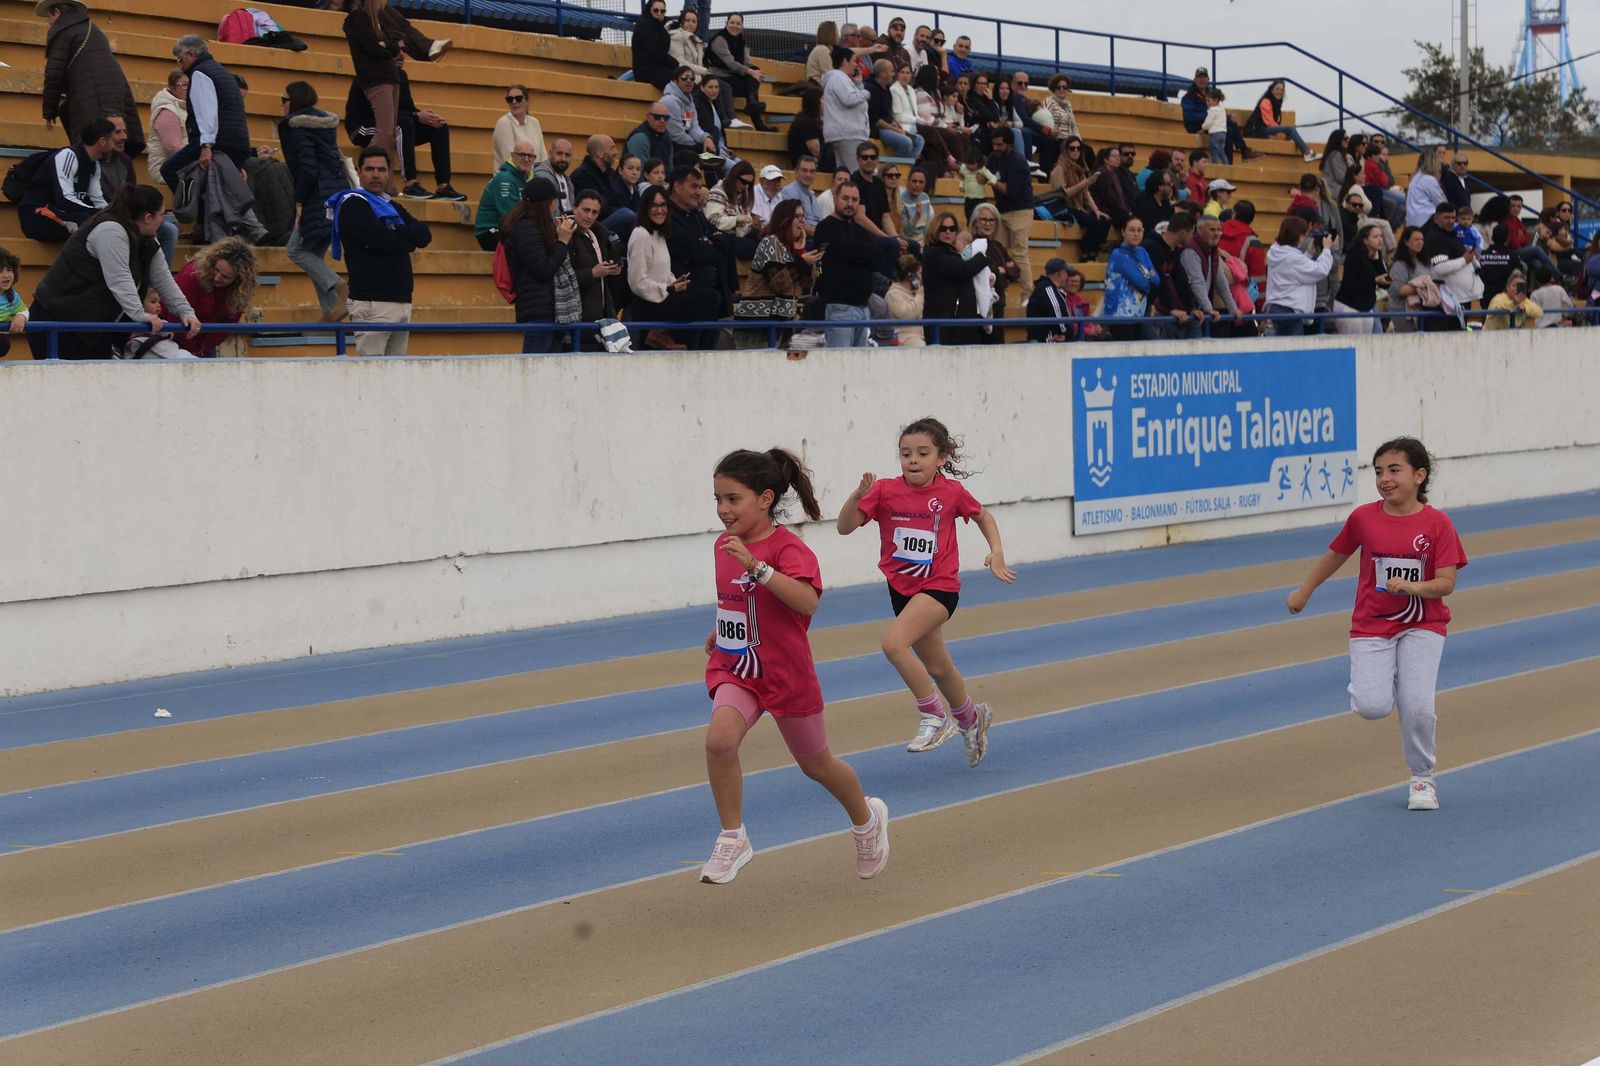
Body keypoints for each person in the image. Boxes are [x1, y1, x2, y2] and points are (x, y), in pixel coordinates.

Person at [698, 447, 890, 885]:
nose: (723, 510)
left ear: (765, 499)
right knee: (719, 742)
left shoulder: (789, 549)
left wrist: (759, 568)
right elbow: (736, 599)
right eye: (718, 499)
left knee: (816, 764)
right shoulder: (722, 547)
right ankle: (733, 836)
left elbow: (807, 601)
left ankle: (867, 820)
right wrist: (723, 630)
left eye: (733, 499)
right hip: (738, 667)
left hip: (786, 674)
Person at [1287, 436, 1466, 812]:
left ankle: (1422, 780)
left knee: (1417, 705)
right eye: (1379, 471)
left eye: (1394, 470)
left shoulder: (1437, 525)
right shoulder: (1363, 518)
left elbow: (1447, 583)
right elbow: (1335, 555)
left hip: (1424, 624)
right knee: (1372, 706)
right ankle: (1387, 678)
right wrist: (1305, 590)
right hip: (1372, 624)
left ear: (1419, 475)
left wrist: (1413, 587)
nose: (1385, 478)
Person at [836, 417, 1013, 760]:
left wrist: (996, 550)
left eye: (922, 453)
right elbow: (845, 527)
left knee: (893, 644)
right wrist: (857, 495)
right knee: (939, 667)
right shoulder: (884, 490)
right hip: (902, 591)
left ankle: (933, 715)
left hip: (940, 588)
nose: (913, 460)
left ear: (941, 458)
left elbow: (983, 517)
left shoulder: (951, 493)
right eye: (905, 453)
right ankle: (970, 718)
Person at [24, 185, 201, 360]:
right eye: (162, 214)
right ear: (148, 217)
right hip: (59, 321)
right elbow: (119, 278)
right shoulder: (110, 230)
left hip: (92, 329)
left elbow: (163, 279)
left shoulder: (147, 237)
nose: (163, 220)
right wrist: (140, 314)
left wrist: (186, 312)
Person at [328, 147, 432, 356]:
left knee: (396, 378)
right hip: (372, 303)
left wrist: (398, 231)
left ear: (389, 173)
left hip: (401, 301)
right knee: (371, 378)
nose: (376, 174)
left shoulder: (390, 205)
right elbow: (380, 241)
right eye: (370, 169)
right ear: (359, 172)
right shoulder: (353, 204)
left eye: (381, 169)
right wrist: (405, 239)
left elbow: (423, 236)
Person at [342, 0, 450, 182]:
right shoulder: (359, 18)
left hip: (385, 80)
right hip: (361, 125)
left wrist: (419, 115)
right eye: (400, 50)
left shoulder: (399, 74)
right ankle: (390, 180)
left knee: (419, 127)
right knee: (392, 130)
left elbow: (406, 108)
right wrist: (387, 47)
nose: (401, 54)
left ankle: (442, 185)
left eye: (403, 49)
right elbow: (373, 47)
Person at [279, 81, 350, 321]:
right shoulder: (323, 123)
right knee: (313, 254)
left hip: (317, 195)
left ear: (294, 101)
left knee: (296, 250)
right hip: (335, 192)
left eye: (284, 100)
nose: (282, 105)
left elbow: (307, 169)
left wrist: (299, 201)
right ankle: (331, 312)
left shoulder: (297, 126)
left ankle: (342, 288)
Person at [39, 0, 145, 156]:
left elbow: (53, 75)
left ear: (57, 12)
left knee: (92, 148)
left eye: (49, 16)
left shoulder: (62, 31)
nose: (49, 22)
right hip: (117, 94)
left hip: (90, 99)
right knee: (117, 148)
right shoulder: (91, 28)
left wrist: (49, 111)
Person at [626, 185, 720, 350]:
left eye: (663, 205)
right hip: (648, 303)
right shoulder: (641, 234)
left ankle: (700, 351)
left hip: (663, 296)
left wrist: (675, 282)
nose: (659, 210)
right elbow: (637, 282)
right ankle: (660, 333)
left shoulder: (659, 234)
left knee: (707, 301)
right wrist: (668, 288)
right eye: (654, 205)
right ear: (645, 208)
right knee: (710, 298)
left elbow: (664, 271)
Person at [498, 176, 578, 354]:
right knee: (533, 370)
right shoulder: (526, 228)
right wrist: (562, 242)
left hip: (550, 310)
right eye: (553, 201)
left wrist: (558, 237)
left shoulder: (536, 227)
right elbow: (543, 270)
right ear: (545, 204)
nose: (556, 206)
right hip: (538, 311)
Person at [162, 36, 251, 190]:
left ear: (191, 54)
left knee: (170, 170)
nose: (180, 66)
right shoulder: (221, 72)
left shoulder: (200, 73)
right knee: (222, 190)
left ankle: (193, 209)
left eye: (180, 59)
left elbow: (206, 112)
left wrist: (206, 146)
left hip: (217, 142)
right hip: (238, 142)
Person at [16, 118, 113, 242]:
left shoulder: (94, 164)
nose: (115, 146)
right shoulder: (68, 156)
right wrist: (98, 213)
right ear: (102, 142)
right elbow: (64, 199)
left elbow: (97, 200)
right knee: (85, 222)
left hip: (63, 213)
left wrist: (113, 214)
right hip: (37, 214)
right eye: (113, 141)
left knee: (106, 223)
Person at [162, 237, 256, 357]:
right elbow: (175, 315)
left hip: (204, 345)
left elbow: (227, 325)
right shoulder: (193, 274)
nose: (217, 278)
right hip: (172, 339)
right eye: (216, 270)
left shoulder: (240, 292)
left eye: (225, 277)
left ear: (238, 279)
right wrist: (194, 350)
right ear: (212, 262)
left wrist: (203, 349)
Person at [812, 180, 876, 347]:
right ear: (835, 199)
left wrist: (860, 252)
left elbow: (876, 255)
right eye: (845, 198)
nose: (850, 204)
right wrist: (863, 253)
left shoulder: (859, 230)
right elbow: (847, 250)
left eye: (855, 200)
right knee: (839, 365)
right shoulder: (826, 227)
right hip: (839, 308)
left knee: (859, 368)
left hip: (863, 308)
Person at [735, 199, 817, 323]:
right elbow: (778, 285)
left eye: (803, 217)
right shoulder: (771, 242)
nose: (803, 221)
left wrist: (801, 252)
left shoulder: (792, 248)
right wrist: (802, 261)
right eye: (798, 217)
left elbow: (806, 284)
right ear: (785, 220)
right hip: (757, 324)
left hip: (782, 322)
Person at [920, 211, 989, 345]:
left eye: (952, 229)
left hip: (960, 323)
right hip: (945, 324)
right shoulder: (935, 253)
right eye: (943, 228)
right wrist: (983, 257)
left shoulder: (952, 252)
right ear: (935, 230)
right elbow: (964, 270)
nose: (948, 232)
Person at [1263, 216, 1336, 336]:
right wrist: (1327, 250)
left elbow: (1293, 273)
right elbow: (1321, 271)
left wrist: (1308, 254)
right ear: (1298, 235)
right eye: (1304, 234)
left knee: (1287, 348)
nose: (1305, 238)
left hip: (1280, 308)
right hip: (1289, 310)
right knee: (1290, 351)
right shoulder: (1291, 258)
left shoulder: (1277, 252)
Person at [567, 190, 624, 340]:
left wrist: (611, 271)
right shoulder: (565, 235)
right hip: (575, 318)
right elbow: (561, 279)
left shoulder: (599, 235)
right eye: (586, 210)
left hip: (601, 316)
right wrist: (592, 273)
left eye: (594, 212)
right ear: (574, 208)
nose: (589, 216)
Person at [985, 130, 1033, 295]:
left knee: (1020, 253)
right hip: (1002, 211)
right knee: (998, 253)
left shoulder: (1017, 161)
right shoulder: (993, 157)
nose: (996, 148)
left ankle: (1027, 293)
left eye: (1000, 144)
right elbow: (983, 172)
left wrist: (990, 179)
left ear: (1010, 145)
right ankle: (1000, 292)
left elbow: (1010, 190)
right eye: (994, 144)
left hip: (1020, 211)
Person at [707, 13, 772, 132]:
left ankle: (752, 103)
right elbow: (730, 63)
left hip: (734, 76)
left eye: (738, 23)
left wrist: (754, 71)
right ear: (726, 24)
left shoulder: (741, 40)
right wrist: (751, 72)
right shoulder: (719, 40)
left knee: (754, 72)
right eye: (732, 23)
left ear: (742, 26)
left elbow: (746, 62)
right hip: (720, 76)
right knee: (752, 75)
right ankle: (754, 111)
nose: (735, 26)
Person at [1181, 67, 1259, 161]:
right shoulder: (1188, 97)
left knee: (1229, 130)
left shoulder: (1211, 94)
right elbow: (1190, 117)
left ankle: (1229, 164)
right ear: (1194, 79)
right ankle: (1244, 150)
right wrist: (1211, 115)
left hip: (1210, 124)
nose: (1202, 79)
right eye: (1199, 77)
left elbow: (1217, 110)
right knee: (1229, 123)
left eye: (1204, 77)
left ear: (1208, 79)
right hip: (1196, 126)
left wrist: (1226, 116)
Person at [570, 134, 636, 240]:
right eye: (612, 148)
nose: (616, 152)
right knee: (628, 215)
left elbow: (617, 201)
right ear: (600, 153)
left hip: (608, 221)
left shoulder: (609, 173)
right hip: (592, 225)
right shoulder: (583, 175)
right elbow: (598, 208)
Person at [1104, 216, 1158, 340]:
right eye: (1132, 230)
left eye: (1139, 230)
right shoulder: (1118, 254)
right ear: (1123, 232)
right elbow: (1142, 283)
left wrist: (1148, 277)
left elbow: (1156, 280)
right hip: (1120, 315)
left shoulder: (1142, 252)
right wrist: (1148, 275)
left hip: (1139, 313)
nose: (1136, 233)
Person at [476, 142, 535, 251]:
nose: (526, 159)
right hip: (489, 231)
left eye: (530, 156)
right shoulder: (504, 179)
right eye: (522, 155)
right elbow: (510, 215)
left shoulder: (530, 178)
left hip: (509, 227)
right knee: (529, 240)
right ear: (513, 156)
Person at [821, 47, 871, 171]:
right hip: (848, 135)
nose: (857, 65)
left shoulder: (842, 79)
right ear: (844, 61)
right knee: (855, 174)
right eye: (854, 61)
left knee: (844, 176)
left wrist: (859, 85)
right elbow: (850, 99)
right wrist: (866, 93)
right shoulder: (839, 78)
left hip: (844, 134)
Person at [1332, 223, 1388, 334]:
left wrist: (1377, 261)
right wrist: (1375, 280)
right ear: (1365, 240)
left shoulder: (1377, 255)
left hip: (1366, 306)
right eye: (1375, 237)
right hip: (1349, 305)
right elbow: (1352, 284)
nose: (1380, 240)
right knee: (1352, 343)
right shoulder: (1354, 254)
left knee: (1365, 344)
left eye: (1381, 236)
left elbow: (1386, 283)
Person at [866, 60, 923, 166]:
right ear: (883, 74)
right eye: (892, 71)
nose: (894, 74)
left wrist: (897, 124)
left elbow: (889, 112)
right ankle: (889, 168)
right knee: (906, 142)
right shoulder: (871, 89)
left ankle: (905, 167)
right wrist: (895, 129)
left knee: (919, 140)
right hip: (878, 128)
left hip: (889, 125)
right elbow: (876, 120)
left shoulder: (886, 88)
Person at [1245, 79, 1316, 161]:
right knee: (1290, 129)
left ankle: (1306, 152)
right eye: (1277, 89)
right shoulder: (1266, 101)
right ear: (1271, 90)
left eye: (1282, 90)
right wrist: (1284, 129)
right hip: (1256, 131)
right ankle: (1307, 152)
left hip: (1264, 129)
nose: (1279, 92)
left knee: (1288, 133)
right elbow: (1269, 123)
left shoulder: (1276, 104)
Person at [705, 161, 760, 260]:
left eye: (749, 184)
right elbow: (712, 221)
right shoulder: (717, 192)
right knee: (758, 247)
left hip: (740, 237)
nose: (746, 186)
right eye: (744, 182)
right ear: (734, 177)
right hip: (723, 238)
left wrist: (752, 224)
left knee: (765, 237)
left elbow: (744, 226)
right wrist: (737, 219)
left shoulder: (742, 195)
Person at [1387, 225, 1433, 333]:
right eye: (1416, 239)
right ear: (1406, 242)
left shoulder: (1425, 263)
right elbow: (1397, 289)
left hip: (1422, 311)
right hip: (1403, 312)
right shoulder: (1400, 264)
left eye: (1421, 239)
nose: (1420, 242)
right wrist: (1424, 287)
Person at [146, 70, 189, 185]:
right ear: (172, 87)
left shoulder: (184, 108)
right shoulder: (168, 111)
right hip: (168, 168)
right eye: (184, 85)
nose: (189, 89)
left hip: (182, 166)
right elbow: (173, 147)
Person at [493, 85, 547, 170]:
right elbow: (510, 160)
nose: (514, 102)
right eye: (510, 99)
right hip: (512, 180)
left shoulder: (534, 122)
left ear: (527, 100)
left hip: (535, 178)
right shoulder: (504, 123)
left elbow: (543, 157)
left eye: (518, 98)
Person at [1024, 257, 1074, 342]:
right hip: (1047, 341)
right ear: (1060, 274)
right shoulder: (1048, 289)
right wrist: (1065, 333)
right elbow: (1057, 314)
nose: (1067, 277)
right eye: (1067, 273)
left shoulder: (1049, 288)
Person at [631, 0, 676, 89]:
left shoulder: (658, 27)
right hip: (647, 72)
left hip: (658, 69)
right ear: (649, 10)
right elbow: (656, 52)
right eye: (656, 10)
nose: (659, 13)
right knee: (681, 79)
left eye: (662, 11)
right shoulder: (644, 25)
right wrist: (676, 64)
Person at [776, 155, 822, 236]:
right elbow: (797, 223)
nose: (808, 174)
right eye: (804, 170)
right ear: (796, 172)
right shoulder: (789, 192)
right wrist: (821, 234)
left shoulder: (813, 196)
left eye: (812, 171)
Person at [885, 253, 924, 346]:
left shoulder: (915, 292)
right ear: (910, 275)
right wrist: (919, 296)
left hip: (919, 335)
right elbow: (906, 314)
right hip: (904, 338)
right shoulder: (893, 294)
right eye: (919, 273)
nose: (921, 278)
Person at [1404, 146, 1446, 229]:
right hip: (1426, 222)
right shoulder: (1429, 179)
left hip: (1412, 222)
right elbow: (1441, 204)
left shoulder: (1415, 178)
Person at [532, 138, 575, 216]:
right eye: (559, 154)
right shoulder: (542, 176)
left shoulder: (566, 178)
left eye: (567, 155)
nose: (563, 159)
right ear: (550, 154)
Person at [626, 103, 675, 168]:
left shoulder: (666, 135)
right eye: (657, 117)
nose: (662, 121)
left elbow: (670, 167)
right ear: (648, 117)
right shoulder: (640, 138)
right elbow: (640, 171)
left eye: (666, 118)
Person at [669, 9, 710, 79]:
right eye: (688, 20)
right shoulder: (676, 36)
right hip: (682, 77)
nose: (691, 24)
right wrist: (704, 71)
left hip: (696, 76)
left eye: (694, 22)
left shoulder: (697, 41)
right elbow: (679, 63)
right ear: (681, 22)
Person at [897, 166, 933, 245]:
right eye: (914, 181)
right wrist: (916, 217)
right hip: (909, 239)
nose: (917, 185)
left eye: (921, 182)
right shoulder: (900, 200)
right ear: (908, 181)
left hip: (923, 238)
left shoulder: (925, 197)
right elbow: (907, 232)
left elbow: (925, 227)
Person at [0, 248, 23, 359]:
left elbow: (23, 310)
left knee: (3, 345)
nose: (5, 275)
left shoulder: (11, 296)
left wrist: (20, 317)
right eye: (0, 271)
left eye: (9, 270)